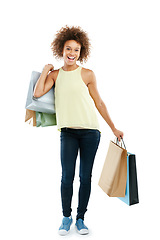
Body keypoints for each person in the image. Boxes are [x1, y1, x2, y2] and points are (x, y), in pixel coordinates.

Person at [33, 25, 124, 236]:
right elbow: (37, 93)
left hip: (91, 132)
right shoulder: (56, 75)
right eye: (68, 49)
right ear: (61, 50)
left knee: (85, 177)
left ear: (81, 52)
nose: (72, 53)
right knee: (67, 177)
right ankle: (66, 218)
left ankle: (80, 218)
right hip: (68, 133)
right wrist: (46, 70)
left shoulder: (88, 74)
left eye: (76, 50)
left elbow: (99, 103)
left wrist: (113, 127)